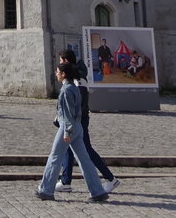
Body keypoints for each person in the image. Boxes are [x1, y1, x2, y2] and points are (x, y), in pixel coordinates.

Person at [35, 62, 108, 202]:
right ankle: (98, 191)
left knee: (55, 157)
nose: (56, 74)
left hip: (68, 127)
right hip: (78, 127)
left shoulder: (66, 90)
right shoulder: (75, 87)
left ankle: (46, 190)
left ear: (63, 74)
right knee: (84, 160)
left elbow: (68, 114)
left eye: (57, 72)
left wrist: (67, 133)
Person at [56, 50, 118, 196]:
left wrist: (73, 118)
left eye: (60, 60)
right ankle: (66, 181)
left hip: (79, 119)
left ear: (65, 61)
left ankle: (110, 178)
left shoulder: (79, 77)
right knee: (68, 149)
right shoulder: (75, 75)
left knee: (86, 150)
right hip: (75, 119)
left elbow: (81, 101)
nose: (59, 64)